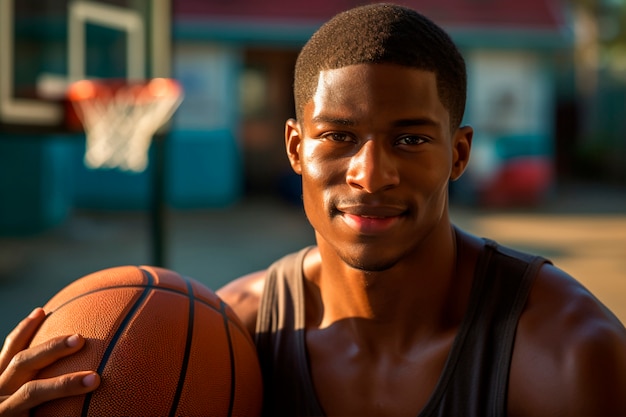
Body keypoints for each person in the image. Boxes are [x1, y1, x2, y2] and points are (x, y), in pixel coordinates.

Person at [2, 3, 626, 416]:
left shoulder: (570, 356)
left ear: (458, 154)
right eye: (339, 137)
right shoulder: (231, 338)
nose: (370, 173)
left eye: (410, 139)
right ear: (297, 149)